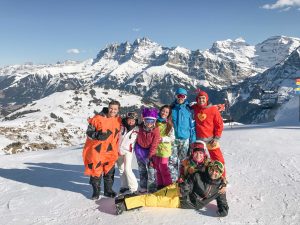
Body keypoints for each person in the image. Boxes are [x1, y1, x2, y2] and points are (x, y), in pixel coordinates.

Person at [115, 160, 229, 217]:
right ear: (209, 168)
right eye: (212, 170)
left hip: (181, 202)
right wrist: (183, 189)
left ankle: (125, 204)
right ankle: (127, 200)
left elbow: (222, 201)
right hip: (178, 190)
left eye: (217, 172)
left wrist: (223, 210)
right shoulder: (198, 175)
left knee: (153, 199)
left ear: (220, 174)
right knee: (153, 195)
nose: (214, 173)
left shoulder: (220, 187)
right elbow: (188, 184)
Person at [82, 100, 122, 200]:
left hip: (111, 151)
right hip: (97, 151)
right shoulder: (97, 119)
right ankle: (96, 192)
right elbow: (89, 132)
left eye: (115, 109)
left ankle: (108, 191)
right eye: (111, 108)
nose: (113, 110)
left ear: (118, 110)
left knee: (109, 171)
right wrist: (97, 135)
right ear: (108, 108)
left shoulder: (118, 120)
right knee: (96, 171)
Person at [190, 89, 227, 183]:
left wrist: (216, 138)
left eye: (203, 98)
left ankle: (222, 178)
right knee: (199, 160)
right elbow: (188, 106)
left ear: (207, 99)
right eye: (199, 98)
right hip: (199, 140)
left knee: (218, 159)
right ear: (197, 100)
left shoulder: (213, 109)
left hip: (211, 139)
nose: (201, 100)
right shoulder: (195, 107)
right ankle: (199, 179)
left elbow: (219, 125)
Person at [169, 88, 196, 182]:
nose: (180, 98)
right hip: (173, 139)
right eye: (178, 96)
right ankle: (173, 180)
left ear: (185, 97)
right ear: (176, 96)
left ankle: (182, 179)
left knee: (183, 161)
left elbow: (192, 126)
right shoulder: (171, 109)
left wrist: (192, 141)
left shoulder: (189, 109)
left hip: (185, 140)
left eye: (182, 96)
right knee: (172, 161)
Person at [134, 107, 161, 193]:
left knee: (151, 170)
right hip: (140, 150)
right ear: (144, 120)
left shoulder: (156, 130)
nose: (149, 123)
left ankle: (152, 188)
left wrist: (150, 156)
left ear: (154, 121)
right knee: (142, 170)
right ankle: (143, 187)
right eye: (147, 121)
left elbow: (155, 144)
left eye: (151, 121)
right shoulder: (139, 128)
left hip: (150, 152)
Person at [116, 111, 139, 195]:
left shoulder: (137, 130)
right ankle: (124, 186)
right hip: (118, 150)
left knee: (127, 169)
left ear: (136, 121)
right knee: (121, 169)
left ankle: (134, 188)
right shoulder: (121, 126)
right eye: (129, 120)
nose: (131, 122)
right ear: (126, 119)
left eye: (133, 120)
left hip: (128, 152)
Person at [154, 105, 175, 190]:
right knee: (158, 168)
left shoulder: (169, 124)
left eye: (166, 112)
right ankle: (160, 185)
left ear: (168, 114)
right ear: (160, 111)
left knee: (163, 168)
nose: (164, 113)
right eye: (163, 111)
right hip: (156, 149)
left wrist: (163, 139)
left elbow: (172, 138)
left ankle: (168, 186)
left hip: (165, 149)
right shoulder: (155, 122)